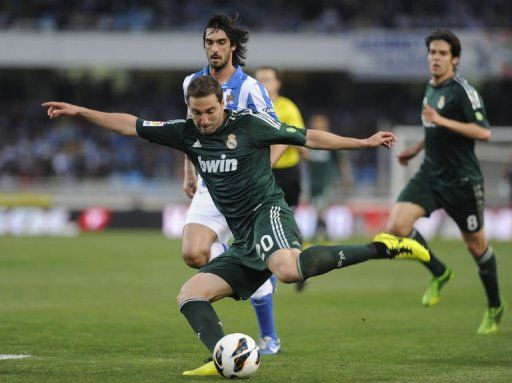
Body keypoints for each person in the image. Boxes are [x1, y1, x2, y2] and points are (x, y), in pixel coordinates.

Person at [43, 75, 430, 376]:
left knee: (288, 270)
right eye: (197, 113)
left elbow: (308, 137)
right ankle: (221, 356)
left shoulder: (250, 125)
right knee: (189, 296)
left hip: (268, 213)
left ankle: (384, 246)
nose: (203, 119)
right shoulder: (186, 132)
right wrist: (79, 111)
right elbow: (131, 124)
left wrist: (363, 143)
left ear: (223, 103)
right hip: (243, 237)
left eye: (210, 111)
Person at [387, 29, 505, 334]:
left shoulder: (463, 92)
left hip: (462, 181)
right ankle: (439, 272)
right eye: (432, 53)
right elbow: (433, 129)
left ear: (455, 59)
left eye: (442, 54)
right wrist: (414, 150)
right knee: (398, 226)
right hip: (430, 173)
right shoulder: (431, 87)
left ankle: (495, 306)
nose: (435, 58)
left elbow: (484, 132)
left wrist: (441, 120)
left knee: (476, 247)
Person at [181, 14, 284, 354]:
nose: (214, 48)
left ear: (233, 46)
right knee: (193, 253)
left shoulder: (250, 88)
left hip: (248, 192)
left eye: (221, 42)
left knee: (254, 265)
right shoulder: (191, 83)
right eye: (209, 42)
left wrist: (259, 172)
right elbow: (189, 131)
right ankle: (238, 261)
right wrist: (189, 171)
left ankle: (269, 337)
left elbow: (280, 135)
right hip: (212, 186)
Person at [255, 66, 307, 292]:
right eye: (259, 80)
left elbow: (297, 139)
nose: (263, 84)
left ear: (278, 84)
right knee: (259, 217)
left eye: (267, 79)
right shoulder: (251, 107)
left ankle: (299, 262)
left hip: (286, 172)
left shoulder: (287, 108)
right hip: (260, 172)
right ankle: (265, 268)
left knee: (287, 219)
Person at [306, 112, 353, 241]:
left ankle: (320, 230)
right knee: (316, 206)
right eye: (315, 123)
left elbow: (341, 160)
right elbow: (306, 159)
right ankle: (322, 230)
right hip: (313, 180)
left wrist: (346, 176)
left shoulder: (330, 140)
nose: (317, 125)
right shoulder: (308, 139)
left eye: (319, 123)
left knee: (322, 205)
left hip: (327, 179)